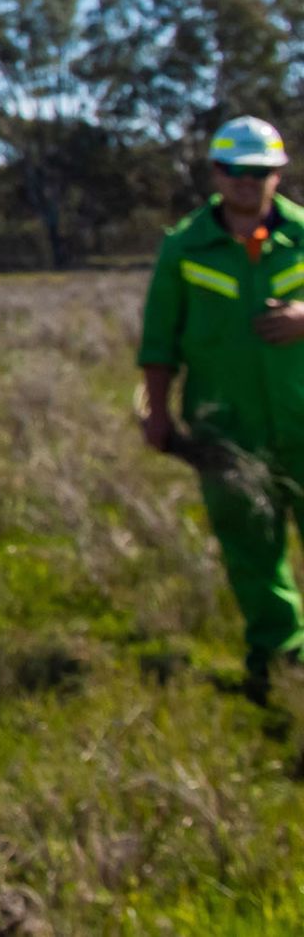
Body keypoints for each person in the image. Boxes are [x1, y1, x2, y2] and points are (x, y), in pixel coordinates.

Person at [137, 114, 304, 702]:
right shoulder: (185, 246)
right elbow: (159, 341)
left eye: (260, 171)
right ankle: (277, 662)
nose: (247, 181)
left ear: (278, 174)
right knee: (252, 549)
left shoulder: (303, 234)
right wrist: (157, 412)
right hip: (227, 429)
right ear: (216, 172)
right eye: (235, 170)